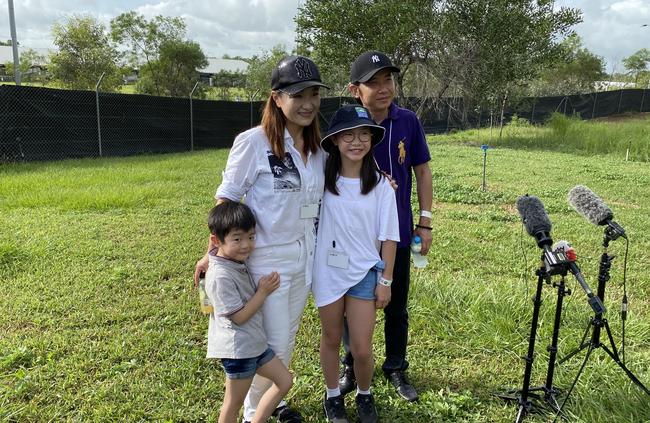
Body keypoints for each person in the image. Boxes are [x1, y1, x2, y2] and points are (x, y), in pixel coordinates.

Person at [194, 55, 328, 423]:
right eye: (297, 94)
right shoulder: (253, 142)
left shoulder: (317, 150)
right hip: (266, 261)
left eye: (314, 93)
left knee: (286, 336)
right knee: (268, 342)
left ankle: (270, 404)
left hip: (304, 257)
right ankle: (257, 412)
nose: (307, 103)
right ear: (276, 98)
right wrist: (212, 252)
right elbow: (227, 198)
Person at [339, 51, 433, 403]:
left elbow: (422, 171)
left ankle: (395, 366)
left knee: (396, 303)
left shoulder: (407, 121)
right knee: (352, 304)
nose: (383, 88)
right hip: (354, 237)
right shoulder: (346, 124)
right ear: (354, 89)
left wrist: (425, 222)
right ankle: (351, 364)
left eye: (388, 80)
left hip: (397, 234)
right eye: (373, 82)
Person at [313, 105, 399, 423]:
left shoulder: (380, 186)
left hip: (365, 273)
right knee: (331, 338)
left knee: (362, 349)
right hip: (327, 271)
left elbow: (389, 237)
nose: (357, 141)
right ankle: (333, 396)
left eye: (364, 134)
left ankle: (364, 394)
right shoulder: (321, 179)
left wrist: (385, 281)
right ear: (334, 140)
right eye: (348, 135)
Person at [205, 202, 293, 423]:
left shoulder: (235, 261)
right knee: (232, 404)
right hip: (239, 351)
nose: (246, 245)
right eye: (237, 239)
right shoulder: (220, 275)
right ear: (217, 241)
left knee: (285, 381)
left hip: (256, 345)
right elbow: (240, 317)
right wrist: (262, 292)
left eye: (251, 237)